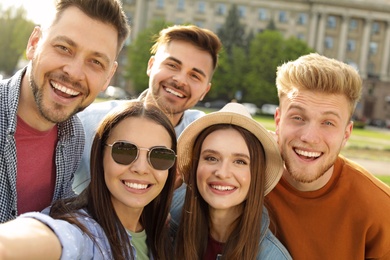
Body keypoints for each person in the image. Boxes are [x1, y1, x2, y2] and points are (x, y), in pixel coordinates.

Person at [0, 0, 130, 223]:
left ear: (109, 76)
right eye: (64, 48)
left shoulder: (74, 134)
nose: (74, 73)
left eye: (96, 62)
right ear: (34, 43)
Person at [0, 101, 177, 259]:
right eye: (124, 150)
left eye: (160, 156)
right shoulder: (83, 232)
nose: (141, 168)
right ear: (100, 156)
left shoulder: (162, 233)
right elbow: (47, 237)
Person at [266, 53, 390, 259]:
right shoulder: (243, 180)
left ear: (346, 134)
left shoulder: (380, 210)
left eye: (328, 123)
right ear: (278, 121)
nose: (309, 137)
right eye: (297, 117)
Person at [73, 24, 222, 193]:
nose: (180, 80)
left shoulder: (206, 140)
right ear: (151, 65)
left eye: (194, 76)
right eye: (172, 65)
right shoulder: (87, 123)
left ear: (205, 91)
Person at [171, 103, 292, 259]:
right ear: (195, 166)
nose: (222, 173)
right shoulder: (168, 220)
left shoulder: (272, 256)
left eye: (240, 161)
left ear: (256, 174)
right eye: (211, 158)